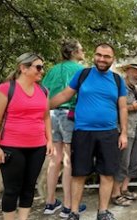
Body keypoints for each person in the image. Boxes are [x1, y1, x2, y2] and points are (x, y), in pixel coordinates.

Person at [50, 43, 128, 220]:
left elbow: (122, 108)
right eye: (99, 55)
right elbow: (64, 95)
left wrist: (123, 133)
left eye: (106, 56)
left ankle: (102, 211)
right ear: (94, 56)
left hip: (109, 133)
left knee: (107, 174)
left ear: (112, 59)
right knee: (79, 173)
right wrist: (41, 109)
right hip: (82, 132)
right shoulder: (83, 74)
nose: (102, 59)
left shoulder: (117, 80)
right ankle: (74, 212)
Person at [0, 53, 53, 220]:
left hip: (38, 147)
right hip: (11, 147)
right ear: (23, 68)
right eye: (38, 67)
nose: (42, 71)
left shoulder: (44, 90)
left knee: (29, 187)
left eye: (42, 67)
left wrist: (50, 141)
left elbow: (46, 117)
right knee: (12, 189)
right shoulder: (5, 89)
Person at [42, 39, 87, 218]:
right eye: (81, 50)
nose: (83, 52)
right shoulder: (80, 70)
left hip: (51, 114)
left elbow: (43, 92)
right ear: (74, 52)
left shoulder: (52, 70)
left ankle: (50, 202)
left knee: (55, 159)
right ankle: (68, 205)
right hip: (69, 114)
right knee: (69, 160)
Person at [111, 63, 137, 206]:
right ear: (127, 71)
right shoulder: (119, 87)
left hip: (136, 129)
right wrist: (132, 107)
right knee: (122, 163)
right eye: (136, 72)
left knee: (135, 161)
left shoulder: (134, 89)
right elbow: (114, 108)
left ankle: (124, 189)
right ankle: (115, 194)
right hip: (123, 130)